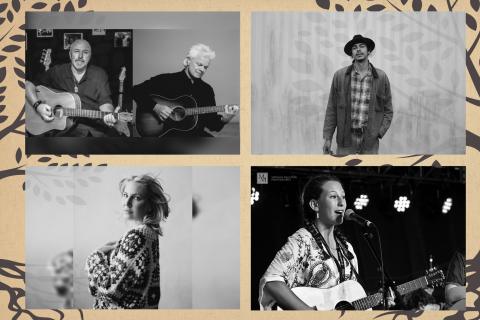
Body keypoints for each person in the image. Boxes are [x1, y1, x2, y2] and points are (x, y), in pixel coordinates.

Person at [259, 175, 359, 310]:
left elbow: (353, 298)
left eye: (343, 196)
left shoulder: (347, 249)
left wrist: (383, 298)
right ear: (315, 205)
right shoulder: (302, 240)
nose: (342, 202)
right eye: (333, 197)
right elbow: (271, 282)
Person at [85, 174, 170, 309]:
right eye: (125, 195)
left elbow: (110, 290)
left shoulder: (137, 236)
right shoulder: (149, 234)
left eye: (137, 198)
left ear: (149, 205)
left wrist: (95, 257)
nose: (127, 202)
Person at [133, 43, 238, 137]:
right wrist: (156, 107)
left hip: (196, 138)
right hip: (167, 136)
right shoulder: (166, 80)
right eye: (199, 64)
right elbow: (135, 91)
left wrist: (225, 119)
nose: (202, 69)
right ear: (188, 61)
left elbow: (213, 125)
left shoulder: (207, 90)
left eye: (206, 67)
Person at [25, 39, 119, 137]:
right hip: (61, 132)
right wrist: (38, 106)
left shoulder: (99, 74)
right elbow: (28, 85)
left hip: (91, 130)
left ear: (90, 56)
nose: (80, 56)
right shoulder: (58, 72)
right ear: (70, 55)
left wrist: (109, 115)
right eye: (76, 51)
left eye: (85, 52)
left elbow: (105, 102)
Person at [323, 34, 393, 155]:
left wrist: (379, 132)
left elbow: (388, 110)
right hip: (346, 139)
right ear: (351, 53)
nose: (358, 50)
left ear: (369, 51)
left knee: (368, 173)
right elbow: (332, 109)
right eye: (355, 47)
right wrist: (327, 138)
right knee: (345, 172)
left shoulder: (381, 77)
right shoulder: (339, 76)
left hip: (370, 141)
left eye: (362, 46)